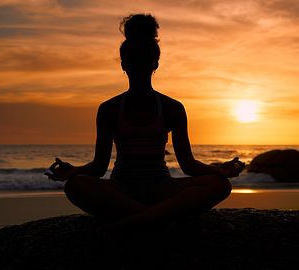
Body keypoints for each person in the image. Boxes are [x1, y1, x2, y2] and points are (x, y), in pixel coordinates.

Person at [45, 14, 245, 233]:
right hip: (122, 189)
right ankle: (161, 218)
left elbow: (188, 164)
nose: (138, 64)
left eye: (144, 58)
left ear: (155, 63)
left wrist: (218, 171)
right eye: (133, 58)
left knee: (220, 185)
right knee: (75, 186)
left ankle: (131, 222)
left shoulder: (172, 108)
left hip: (162, 188)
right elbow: (99, 167)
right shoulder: (109, 109)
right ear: (123, 63)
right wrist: (74, 171)